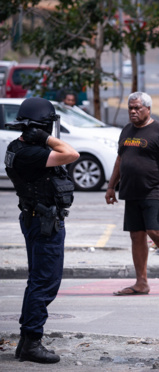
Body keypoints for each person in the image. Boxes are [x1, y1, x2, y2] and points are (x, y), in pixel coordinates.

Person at [4, 97, 80, 364]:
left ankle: (26, 341)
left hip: (37, 219)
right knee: (45, 283)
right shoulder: (31, 153)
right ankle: (32, 342)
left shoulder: (18, 147)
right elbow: (72, 154)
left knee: (37, 281)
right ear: (40, 127)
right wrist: (47, 139)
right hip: (44, 223)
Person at [105, 92, 159, 296]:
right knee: (136, 235)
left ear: (148, 109)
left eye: (137, 108)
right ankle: (141, 283)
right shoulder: (127, 130)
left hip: (155, 190)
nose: (133, 111)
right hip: (132, 191)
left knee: (155, 231)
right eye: (130, 108)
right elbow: (119, 160)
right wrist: (111, 186)